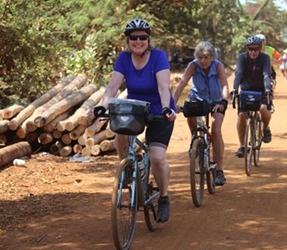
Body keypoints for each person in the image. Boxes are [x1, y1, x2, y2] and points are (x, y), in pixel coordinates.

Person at [89, 18, 176, 223]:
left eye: (143, 37)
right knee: (120, 132)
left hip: (158, 110)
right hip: (135, 107)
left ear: (148, 39)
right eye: (134, 37)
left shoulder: (159, 57)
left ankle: (163, 198)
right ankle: (127, 168)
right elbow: (112, 88)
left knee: (156, 157)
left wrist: (166, 108)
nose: (138, 41)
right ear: (128, 40)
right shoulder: (124, 59)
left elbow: (164, 87)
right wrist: (103, 104)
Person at [173, 41, 229, 186]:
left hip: (216, 101)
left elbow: (224, 85)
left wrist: (223, 102)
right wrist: (172, 104)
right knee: (189, 110)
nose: (203, 61)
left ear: (212, 57)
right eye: (200, 57)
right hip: (197, 98)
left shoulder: (218, 66)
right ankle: (194, 137)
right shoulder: (193, 65)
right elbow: (181, 84)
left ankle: (219, 171)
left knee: (216, 130)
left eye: (206, 57)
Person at [233, 36, 272, 158]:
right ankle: (242, 146)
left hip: (261, 91)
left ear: (260, 49)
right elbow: (239, 73)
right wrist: (235, 89)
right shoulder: (242, 58)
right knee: (241, 115)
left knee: (263, 109)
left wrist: (267, 90)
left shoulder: (265, 58)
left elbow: (266, 75)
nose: (253, 52)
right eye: (250, 49)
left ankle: (265, 129)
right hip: (246, 91)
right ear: (247, 49)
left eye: (255, 49)